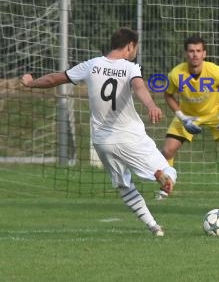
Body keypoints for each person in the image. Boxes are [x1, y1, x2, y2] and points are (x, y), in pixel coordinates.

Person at [20, 28, 177, 237]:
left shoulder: (91, 65)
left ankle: (154, 227)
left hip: (102, 142)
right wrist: (150, 105)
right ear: (130, 46)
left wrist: (31, 83)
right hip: (130, 137)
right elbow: (139, 86)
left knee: (124, 185)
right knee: (169, 170)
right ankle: (160, 175)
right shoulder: (130, 67)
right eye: (135, 48)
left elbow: (54, 79)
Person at [160, 36, 219, 200]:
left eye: (198, 51)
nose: (195, 55)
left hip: (217, 113)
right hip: (188, 115)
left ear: (204, 53)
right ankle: (165, 188)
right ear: (185, 53)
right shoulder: (176, 74)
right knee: (167, 151)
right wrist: (182, 117)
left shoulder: (213, 70)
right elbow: (168, 95)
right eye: (191, 51)